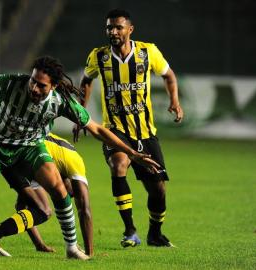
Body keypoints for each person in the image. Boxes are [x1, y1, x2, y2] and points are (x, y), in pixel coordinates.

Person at [0, 55, 159, 260]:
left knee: (59, 190)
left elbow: (98, 129)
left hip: (28, 148)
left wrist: (132, 153)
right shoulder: (12, 83)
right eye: (33, 81)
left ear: (54, 86)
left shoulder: (61, 102)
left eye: (41, 85)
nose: (34, 87)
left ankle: (71, 248)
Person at [75, 9, 183, 248]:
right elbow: (85, 81)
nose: (113, 32)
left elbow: (169, 76)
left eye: (118, 27)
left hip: (145, 131)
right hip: (115, 129)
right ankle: (130, 230)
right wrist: (80, 114)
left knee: (158, 190)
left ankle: (155, 233)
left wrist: (174, 101)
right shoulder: (99, 57)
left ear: (130, 30)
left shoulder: (147, 52)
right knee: (119, 164)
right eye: (109, 28)